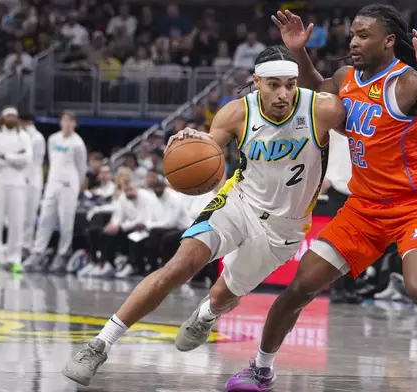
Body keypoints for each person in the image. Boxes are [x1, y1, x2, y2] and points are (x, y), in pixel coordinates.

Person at [226, 7, 417, 391]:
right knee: (299, 288)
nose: (353, 42)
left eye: (363, 36)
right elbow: (314, 94)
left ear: (389, 40)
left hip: (415, 206)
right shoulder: (345, 77)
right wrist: (299, 54)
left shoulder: (410, 84)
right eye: (352, 35)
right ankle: (261, 369)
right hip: (364, 209)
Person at [61, 45, 346, 386]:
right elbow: (208, 152)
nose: (283, 93)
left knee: (223, 296)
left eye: (290, 84)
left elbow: (371, 130)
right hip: (238, 203)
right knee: (178, 267)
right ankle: (99, 344)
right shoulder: (236, 113)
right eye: (274, 85)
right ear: (256, 83)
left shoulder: (322, 110)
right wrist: (190, 140)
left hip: (284, 229)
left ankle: (206, 315)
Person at [24, 111, 87, 273]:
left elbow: (81, 167)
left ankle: (63, 252)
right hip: (52, 183)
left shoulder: (78, 143)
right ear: (60, 122)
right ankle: (38, 251)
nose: (66, 124)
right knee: (45, 218)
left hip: (69, 185)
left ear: (74, 124)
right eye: (64, 120)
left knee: (66, 220)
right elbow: (52, 161)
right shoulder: (53, 139)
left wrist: (78, 184)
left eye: (70, 121)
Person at [0, 107, 32, 272]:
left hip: (17, 183)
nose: (11, 119)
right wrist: (14, 157)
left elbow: (27, 159)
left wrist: (5, 156)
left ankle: (15, 258)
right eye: (8, 116)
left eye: (14, 116)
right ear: (3, 118)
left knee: (16, 222)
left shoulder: (23, 136)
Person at [19, 112, 46, 255]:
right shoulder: (21, 136)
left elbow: (30, 161)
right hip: (22, 179)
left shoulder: (36, 138)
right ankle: (18, 243)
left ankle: (27, 245)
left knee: (29, 213)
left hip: (32, 180)